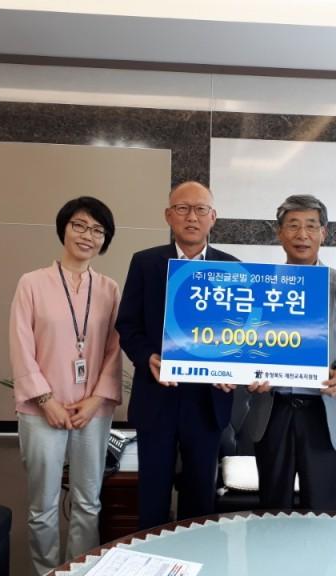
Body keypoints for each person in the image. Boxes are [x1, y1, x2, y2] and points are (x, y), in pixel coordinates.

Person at [115, 180, 238, 529]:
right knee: (152, 497)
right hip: (157, 397)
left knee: (200, 499)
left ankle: (195, 555)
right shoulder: (146, 263)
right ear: (168, 216)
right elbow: (128, 325)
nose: (191, 217)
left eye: (200, 209)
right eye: (182, 209)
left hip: (207, 401)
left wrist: (234, 370)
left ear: (213, 217)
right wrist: (147, 357)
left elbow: (240, 333)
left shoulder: (232, 268)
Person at [9, 196, 122, 575]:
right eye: (80, 225)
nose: (88, 235)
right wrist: (46, 400)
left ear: (105, 240)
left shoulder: (109, 289)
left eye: (98, 230)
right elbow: (20, 345)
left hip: (93, 410)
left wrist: (96, 400)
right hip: (42, 409)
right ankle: (46, 571)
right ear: (64, 229)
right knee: (42, 506)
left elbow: (114, 349)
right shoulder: (31, 283)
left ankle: (79, 570)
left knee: (88, 501)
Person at [245, 194, 336, 511]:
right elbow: (247, 340)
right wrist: (250, 374)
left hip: (323, 413)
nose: (302, 235)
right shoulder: (260, 287)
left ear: (323, 233)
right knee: (272, 508)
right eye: (293, 225)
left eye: (311, 226)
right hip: (274, 410)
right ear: (279, 233)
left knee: (321, 508)